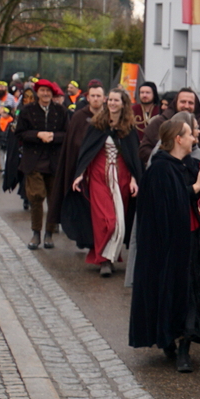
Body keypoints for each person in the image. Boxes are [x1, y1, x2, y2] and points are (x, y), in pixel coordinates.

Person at [130, 112, 200, 372]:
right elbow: (167, 206)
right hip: (168, 247)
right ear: (178, 138)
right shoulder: (160, 169)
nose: (194, 137)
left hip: (192, 240)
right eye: (189, 134)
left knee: (191, 296)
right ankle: (169, 341)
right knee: (171, 293)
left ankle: (185, 346)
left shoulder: (190, 165)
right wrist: (195, 188)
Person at [60, 86, 143, 277]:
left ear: (123, 104)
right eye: (110, 99)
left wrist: (134, 179)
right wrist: (80, 174)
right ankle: (104, 260)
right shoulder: (97, 125)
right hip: (99, 177)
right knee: (106, 221)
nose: (112, 103)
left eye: (116, 100)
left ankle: (110, 257)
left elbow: (134, 157)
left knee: (119, 223)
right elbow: (87, 151)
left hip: (121, 178)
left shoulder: (128, 129)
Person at [49, 81, 108, 236]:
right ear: (88, 98)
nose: (95, 99)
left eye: (98, 96)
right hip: (81, 167)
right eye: (93, 96)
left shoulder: (110, 117)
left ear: (104, 98)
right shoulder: (79, 117)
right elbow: (72, 143)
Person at [15, 79, 69, 249]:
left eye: (48, 91)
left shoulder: (60, 111)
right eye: (42, 91)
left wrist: (53, 136)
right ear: (37, 92)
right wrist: (38, 134)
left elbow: (67, 134)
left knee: (53, 199)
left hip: (54, 161)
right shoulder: (27, 110)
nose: (45, 94)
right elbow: (20, 133)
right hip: (34, 161)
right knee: (36, 196)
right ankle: (36, 233)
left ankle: (49, 234)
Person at [142, 87, 195, 166]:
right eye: (183, 102)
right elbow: (144, 149)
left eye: (190, 103)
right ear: (175, 102)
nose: (187, 106)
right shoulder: (159, 122)